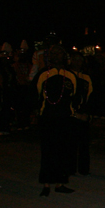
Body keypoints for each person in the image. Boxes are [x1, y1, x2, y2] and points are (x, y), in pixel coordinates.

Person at [35, 45, 77, 196]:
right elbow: (36, 96)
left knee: (63, 152)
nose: (57, 56)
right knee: (47, 152)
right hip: (47, 118)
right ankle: (46, 185)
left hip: (65, 119)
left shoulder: (71, 75)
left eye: (60, 53)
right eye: (54, 53)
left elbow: (75, 97)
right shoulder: (43, 74)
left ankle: (60, 183)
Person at [68, 52, 93, 176]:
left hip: (83, 114)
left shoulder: (86, 77)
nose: (78, 62)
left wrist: (87, 114)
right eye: (75, 59)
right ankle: (70, 168)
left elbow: (90, 97)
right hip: (69, 114)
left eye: (80, 60)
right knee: (70, 144)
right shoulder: (65, 75)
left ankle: (83, 169)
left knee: (83, 143)